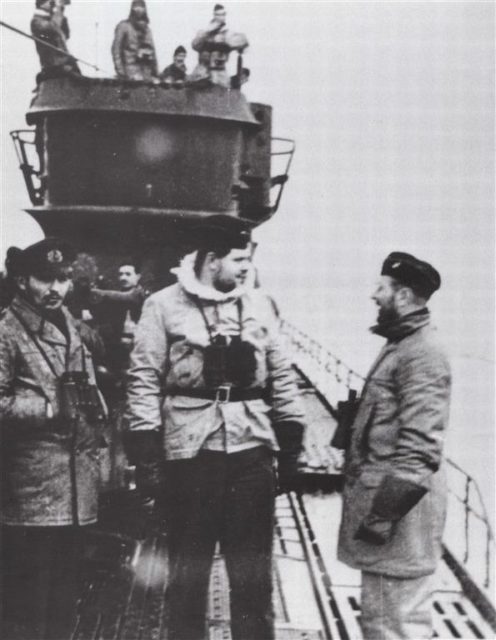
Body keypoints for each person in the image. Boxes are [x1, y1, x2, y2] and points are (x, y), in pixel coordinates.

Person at [125, 218, 305, 640]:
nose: (246, 268)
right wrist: (149, 454)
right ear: (210, 260)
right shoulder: (163, 305)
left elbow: (282, 375)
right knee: (188, 578)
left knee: (253, 580)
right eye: (239, 259)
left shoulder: (261, 305)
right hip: (192, 456)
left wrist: (292, 445)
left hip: (251, 453)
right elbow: (144, 378)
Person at [337, 252, 451, 639]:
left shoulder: (422, 353)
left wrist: (382, 517)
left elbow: (420, 447)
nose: (374, 295)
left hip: (400, 514)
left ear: (402, 295)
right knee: (381, 619)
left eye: (380, 288)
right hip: (390, 511)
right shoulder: (401, 345)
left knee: (397, 624)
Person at [0, 238, 106, 640]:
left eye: (63, 279)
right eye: (46, 279)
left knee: (63, 599)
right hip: (31, 492)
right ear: (23, 280)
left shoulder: (69, 325)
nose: (55, 289)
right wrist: (47, 408)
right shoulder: (7, 331)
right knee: (26, 605)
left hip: (75, 487)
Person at [192, 4, 248, 87]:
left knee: (223, 94)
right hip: (201, 74)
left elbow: (244, 41)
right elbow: (195, 45)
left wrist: (225, 40)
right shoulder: (203, 33)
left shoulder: (228, 34)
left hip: (220, 76)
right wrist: (207, 32)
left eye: (223, 14)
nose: (220, 17)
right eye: (218, 15)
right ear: (214, 16)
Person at [31, 0, 80, 78]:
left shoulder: (51, 19)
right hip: (53, 65)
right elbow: (52, 28)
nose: (52, 4)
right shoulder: (36, 21)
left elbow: (66, 35)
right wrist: (58, 9)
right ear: (41, 4)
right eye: (50, 2)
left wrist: (61, 12)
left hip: (65, 63)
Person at [111, 0, 158, 81]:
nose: (139, 10)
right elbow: (116, 50)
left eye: (141, 7)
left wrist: (155, 72)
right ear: (132, 9)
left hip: (146, 71)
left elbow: (153, 52)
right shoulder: (124, 26)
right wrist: (121, 72)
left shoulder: (147, 30)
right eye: (137, 7)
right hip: (130, 70)